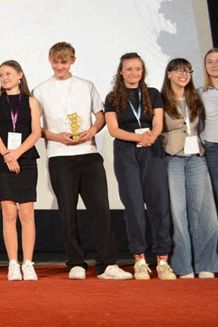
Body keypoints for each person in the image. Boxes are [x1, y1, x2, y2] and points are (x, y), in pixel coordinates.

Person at [32, 42, 131, 280]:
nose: (59, 66)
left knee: (101, 211)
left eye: (64, 62)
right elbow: (37, 128)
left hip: (89, 154)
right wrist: (58, 136)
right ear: (49, 60)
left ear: (73, 61)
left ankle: (107, 264)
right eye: (55, 62)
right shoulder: (40, 90)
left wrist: (93, 131)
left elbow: (100, 116)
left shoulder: (86, 86)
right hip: (59, 156)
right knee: (67, 212)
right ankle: (76, 262)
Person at [105, 52, 175, 280]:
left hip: (152, 150)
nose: (133, 73)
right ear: (121, 72)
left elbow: (158, 121)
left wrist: (151, 137)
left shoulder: (152, 94)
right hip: (126, 153)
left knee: (159, 205)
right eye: (129, 69)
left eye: (138, 69)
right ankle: (140, 260)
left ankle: (163, 259)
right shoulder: (112, 97)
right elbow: (113, 129)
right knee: (134, 208)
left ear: (142, 71)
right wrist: (138, 138)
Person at [160, 58, 218, 278]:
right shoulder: (161, 98)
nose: (184, 75)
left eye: (188, 71)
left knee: (205, 213)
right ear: (169, 74)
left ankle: (206, 264)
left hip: (197, 158)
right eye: (178, 70)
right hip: (172, 158)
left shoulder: (196, 97)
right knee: (177, 213)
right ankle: (183, 266)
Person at [0, 61, 41, 281]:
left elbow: (36, 132)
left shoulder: (31, 101)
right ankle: (12, 263)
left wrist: (17, 153)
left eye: (8, 73)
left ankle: (28, 263)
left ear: (20, 74)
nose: (4, 78)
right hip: (3, 160)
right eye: (1, 75)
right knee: (9, 213)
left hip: (26, 158)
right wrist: (7, 155)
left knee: (26, 213)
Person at [199, 48, 218, 203]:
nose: (214, 65)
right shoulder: (200, 92)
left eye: (217, 61)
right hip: (212, 147)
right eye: (209, 62)